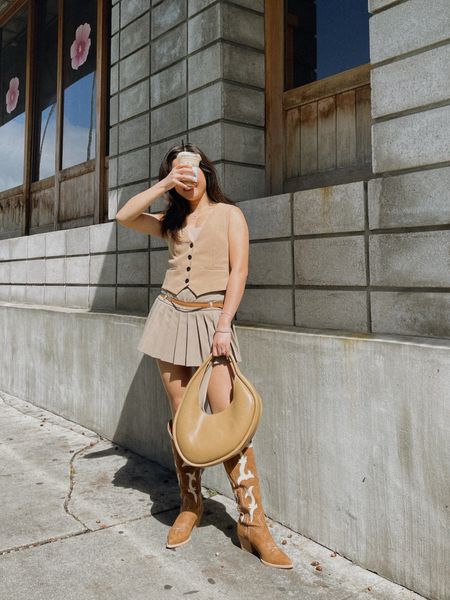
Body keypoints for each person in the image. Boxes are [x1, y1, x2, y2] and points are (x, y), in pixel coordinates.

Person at [115, 142, 293, 569]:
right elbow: (123, 216)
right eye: (180, 170)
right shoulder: (169, 221)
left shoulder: (230, 215)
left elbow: (239, 271)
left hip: (212, 318)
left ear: (206, 172)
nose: (188, 176)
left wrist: (225, 324)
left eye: (193, 168)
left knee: (227, 416)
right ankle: (190, 505)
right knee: (182, 417)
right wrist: (163, 184)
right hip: (168, 315)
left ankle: (253, 524)